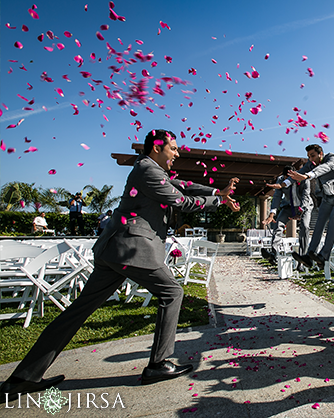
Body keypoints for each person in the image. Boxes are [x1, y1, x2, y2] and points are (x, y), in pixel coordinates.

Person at [0, 129, 241, 401]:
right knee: (172, 292)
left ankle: (23, 377)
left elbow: (183, 184)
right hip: (131, 250)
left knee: (76, 312)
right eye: (173, 148)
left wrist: (215, 191)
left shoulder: (149, 169)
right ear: (156, 148)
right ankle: (159, 364)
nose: (177, 153)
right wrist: (218, 200)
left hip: (114, 252)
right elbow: (182, 201)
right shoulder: (149, 172)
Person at [288, 144, 334, 270]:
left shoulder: (332, 158)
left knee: (333, 222)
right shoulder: (310, 164)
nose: (311, 159)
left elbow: (324, 168)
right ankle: (309, 256)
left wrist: (308, 176)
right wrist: (285, 182)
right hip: (327, 197)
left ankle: (323, 255)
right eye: (308, 156)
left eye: (313, 155)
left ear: (320, 153)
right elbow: (300, 173)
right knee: (319, 225)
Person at [261, 166, 313, 265]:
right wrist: (271, 214)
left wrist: (300, 212)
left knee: (305, 227)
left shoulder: (303, 179)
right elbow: (277, 197)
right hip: (288, 206)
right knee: (278, 225)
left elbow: (306, 196)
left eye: (289, 178)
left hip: (304, 207)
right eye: (285, 178)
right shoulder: (280, 180)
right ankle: (273, 253)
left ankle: (303, 257)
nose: (286, 181)